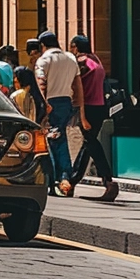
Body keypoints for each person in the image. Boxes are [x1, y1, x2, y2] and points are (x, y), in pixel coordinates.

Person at [35, 30, 84, 197]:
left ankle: (59, 178)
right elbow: (77, 85)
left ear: (43, 45)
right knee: (59, 137)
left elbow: (41, 83)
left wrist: (44, 105)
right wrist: (78, 105)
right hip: (66, 103)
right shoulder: (70, 58)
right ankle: (63, 178)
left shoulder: (44, 60)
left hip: (51, 103)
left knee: (52, 140)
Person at [69, 35, 119, 201]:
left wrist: (81, 115)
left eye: (71, 47)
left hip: (88, 107)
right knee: (88, 144)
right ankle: (72, 181)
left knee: (91, 143)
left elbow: (77, 88)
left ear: (76, 47)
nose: (71, 50)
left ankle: (108, 181)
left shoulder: (81, 62)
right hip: (100, 106)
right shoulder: (95, 60)